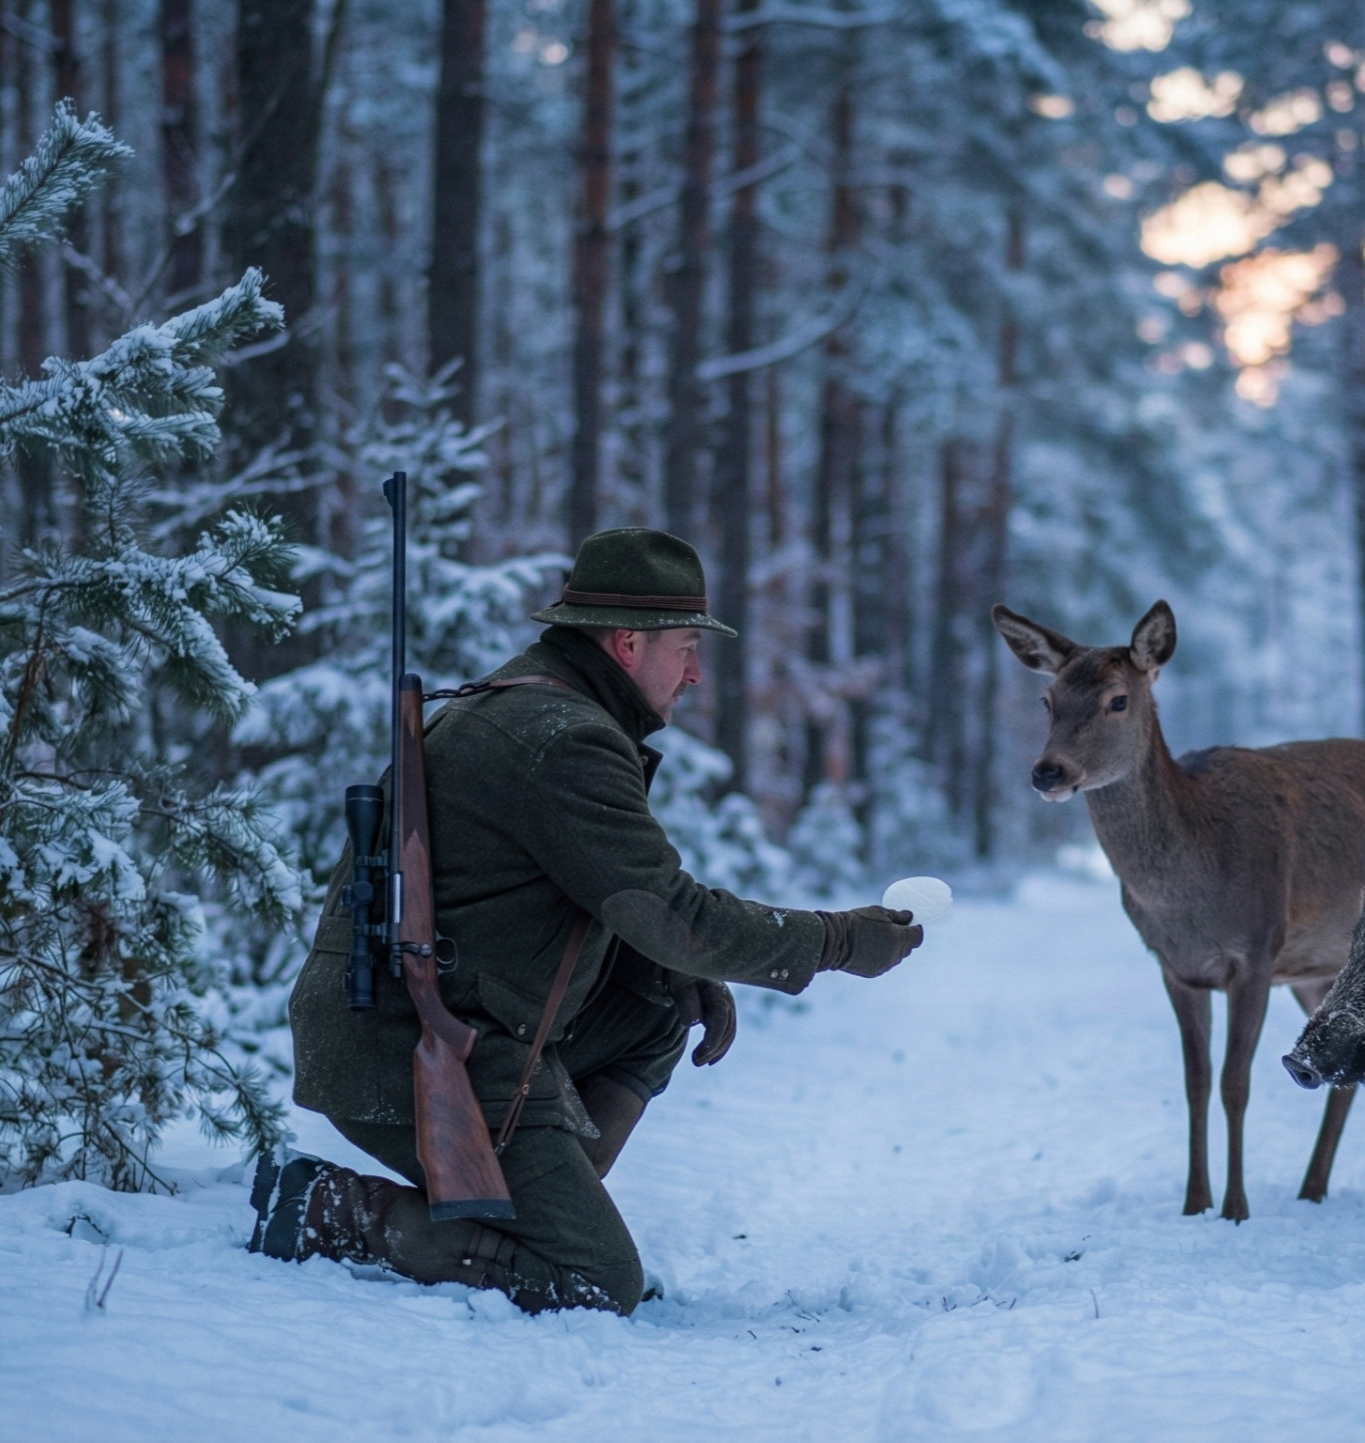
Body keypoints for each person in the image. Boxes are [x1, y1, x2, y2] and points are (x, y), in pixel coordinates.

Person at [250, 528, 924, 1314]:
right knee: (598, 1281)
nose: (697, 673)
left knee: (656, 1005)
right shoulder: (563, 738)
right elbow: (670, 910)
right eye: (685, 648)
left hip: (455, 1022)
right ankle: (331, 1207)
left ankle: (535, 1192)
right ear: (629, 643)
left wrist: (671, 967)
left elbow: (598, 898)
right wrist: (840, 940)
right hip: (401, 1048)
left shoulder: (542, 707)